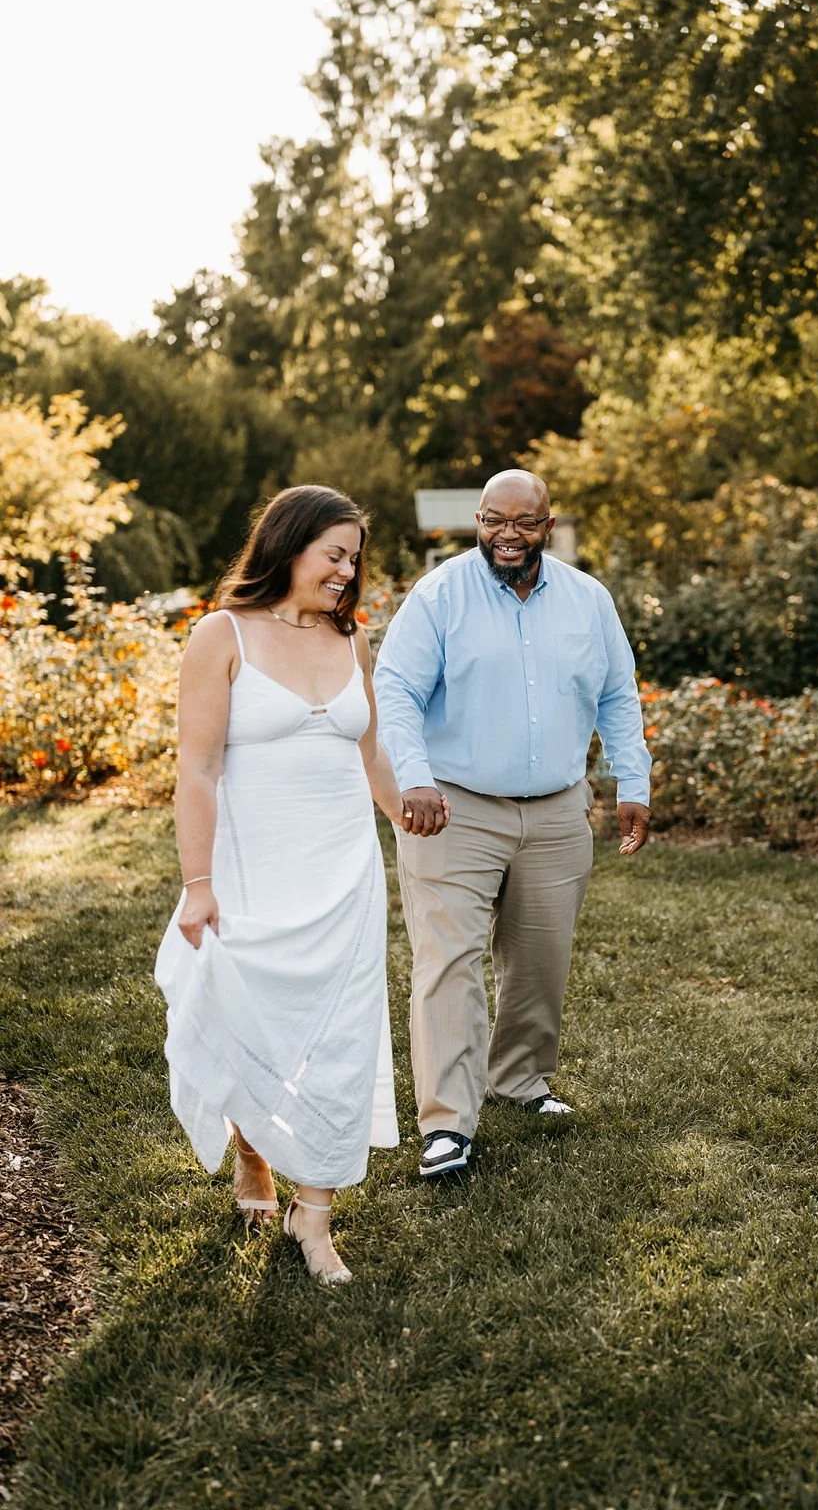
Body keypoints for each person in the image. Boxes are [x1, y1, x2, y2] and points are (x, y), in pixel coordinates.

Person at [154, 485, 445, 1284]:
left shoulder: (350, 643)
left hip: (343, 872)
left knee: (342, 1040)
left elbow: (370, 754)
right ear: (289, 546)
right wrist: (198, 882)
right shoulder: (223, 635)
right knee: (255, 1019)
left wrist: (405, 813)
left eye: (355, 558)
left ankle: (314, 1220)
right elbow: (199, 769)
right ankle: (255, 1152)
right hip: (253, 869)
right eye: (336, 555)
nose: (348, 572)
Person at [374, 468, 652, 1180]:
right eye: (493, 520)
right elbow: (396, 690)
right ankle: (446, 1126)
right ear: (477, 519)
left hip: (558, 808)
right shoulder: (439, 596)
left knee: (539, 959)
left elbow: (618, 693)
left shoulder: (589, 601)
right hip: (453, 809)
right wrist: (416, 778)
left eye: (523, 523)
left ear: (548, 524)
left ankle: (521, 1080)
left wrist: (634, 781)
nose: (506, 535)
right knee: (450, 964)